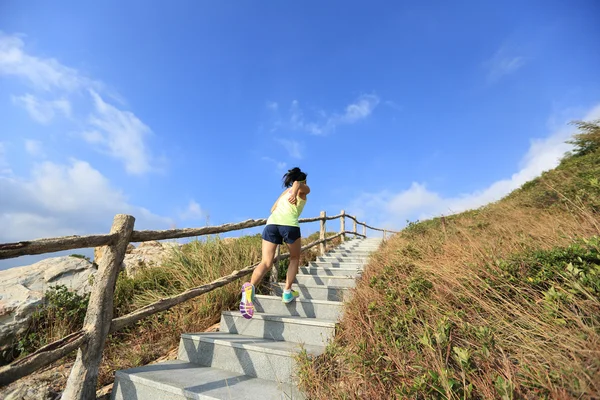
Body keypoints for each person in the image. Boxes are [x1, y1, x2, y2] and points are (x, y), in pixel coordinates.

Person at [239, 167, 310, 319]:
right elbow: (300, 185)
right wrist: (297, 188)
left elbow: (272, 209)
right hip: (289, 225)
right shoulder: (303, 189)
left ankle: (250, 288)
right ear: (303, 180)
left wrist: (289, 194)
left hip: (272, 223)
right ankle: (287, 292)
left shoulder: (284, 193)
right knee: (294, 258)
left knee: (266, 262)